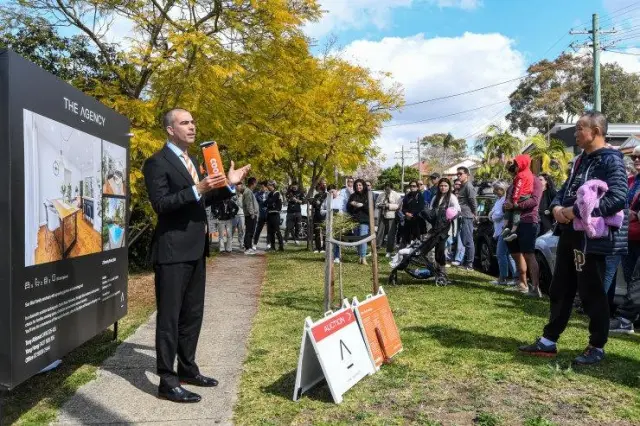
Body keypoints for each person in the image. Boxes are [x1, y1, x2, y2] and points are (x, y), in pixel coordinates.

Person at [143, 108, 249, 403]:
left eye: (193, 122)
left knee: (192, 314)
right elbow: (162, 204)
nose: (192, 127)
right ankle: (167, 380)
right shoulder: (156, 163)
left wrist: (229, 183)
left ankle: (187, 368)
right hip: (172, 250)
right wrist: (197, 187)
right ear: (170, 129)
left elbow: (204, 198)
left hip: (196, 249)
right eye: (185, 122)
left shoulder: (190, 161)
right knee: (170, 317)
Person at [519, 111, 628, 366]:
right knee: (560, 288)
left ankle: (597, 345)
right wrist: (557, 208)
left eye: (580, 128)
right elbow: (566, 190)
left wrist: (576, 212)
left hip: (592, 240)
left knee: (592, 293)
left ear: (596, 132)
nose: (576, 133)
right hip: (569, 235)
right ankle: (548, 341)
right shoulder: (580, 161)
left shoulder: (611, 161)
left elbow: (618, 199)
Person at [609, 146, 640, 333]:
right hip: (628, 236)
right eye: (635, 157)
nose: (636, 160)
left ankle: (626, 319)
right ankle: (631, 318)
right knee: (631, 279)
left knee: (637, 280)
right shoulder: (630, 181)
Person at [504, 167, 543, 297]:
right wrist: (506, 204)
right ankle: (522, 284)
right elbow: (507, 199)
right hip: (510, 222)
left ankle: (536, 288)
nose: (514, 169)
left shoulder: (535, 181)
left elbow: (535, 201)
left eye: (515, 166)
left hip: (528, 221)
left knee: (528, 254)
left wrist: (516, 205)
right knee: (515, 254)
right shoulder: (514, 183)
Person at [427, 178, 461, 279]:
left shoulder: (452, 197)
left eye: (445, 186)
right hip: (435, 227)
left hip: (445, 228)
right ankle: (435, 270)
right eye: (441, 185)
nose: (443, 187)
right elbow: (431, 211)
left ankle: (442, 272)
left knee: (441, 249)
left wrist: (449, 218)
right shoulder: (435, 197)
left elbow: (457, 210)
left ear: (449, 187)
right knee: (432, 250)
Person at [489, 181, 517, 285]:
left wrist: (492, 216)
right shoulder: (498, 200)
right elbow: (493, 213)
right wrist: (492, 215)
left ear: (503, 189)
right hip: (499, 229)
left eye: (497, 189)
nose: (495, 191)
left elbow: (498, 215)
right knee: (508, 254)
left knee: (501, 253)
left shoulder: (505, 200)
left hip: (504, 230)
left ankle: (503, 277)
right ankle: (514, 276)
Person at [502, 155, 534, 242]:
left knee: (512, 210)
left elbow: (518, 189)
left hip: (521, 196)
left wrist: (515, 200)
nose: (515, 168)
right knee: (516, 212)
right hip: (527, 194)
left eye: (516, 165)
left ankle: (507, 228)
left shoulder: (521, 175)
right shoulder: (529, 173)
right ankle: (512, 230)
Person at [455, 167, 477, 270]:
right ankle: (466, 262)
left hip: (467, 216)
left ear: (467, 174)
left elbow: (473, 201)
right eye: (457, 174)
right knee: (463, 240)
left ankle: (469, 265)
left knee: (468, 241)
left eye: (460, 174)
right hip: (461, 215)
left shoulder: (468, 186)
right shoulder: (462, 186)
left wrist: (474, 213)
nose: (458, 175)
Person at [347, 179, 371, 264]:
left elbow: (370, 209)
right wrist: (351, 204)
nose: (358, 187)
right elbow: (348, 208)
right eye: (357, 185)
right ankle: (360, 256)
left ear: (363, 185)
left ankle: (363, 257)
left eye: (360, 185)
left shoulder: (368, 195)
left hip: (364, 220)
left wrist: (362, 205)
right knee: (357, 238)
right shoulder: (353, 196)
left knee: (363, 238)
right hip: (355, 220)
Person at [376, 183, 401, 257]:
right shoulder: (381, 195)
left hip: (392, 216)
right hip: (383, 215)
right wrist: (380, 205)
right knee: (379, 233)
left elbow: (398, 205)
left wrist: (388, 206)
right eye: (385, 188)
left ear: (391, 188)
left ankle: (389, 250)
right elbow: (376, 203)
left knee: (391, 234)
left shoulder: (396, 195)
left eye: (388, 188)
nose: (387, 190)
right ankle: (376, 249)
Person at [401, 180, 425, 246]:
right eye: (411, 186)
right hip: (408, 220)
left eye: (414, 186)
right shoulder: (407, 196)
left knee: (416, 240)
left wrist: (412, 214)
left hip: (417, 221)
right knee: (406, 238)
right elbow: (403, 208)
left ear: (417, 187)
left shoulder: (420, 196)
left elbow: (421, 207)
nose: (412, 187)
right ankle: (405, 253)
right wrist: (406, 213)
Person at [242, 177, 260, 255]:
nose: (256, 185)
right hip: (250, 215)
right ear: (253, 183)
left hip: (251, 215)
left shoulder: (249, 191)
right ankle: (247, 248)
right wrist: (252, 213)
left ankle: (249, 247)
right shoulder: (248, 192)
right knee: (249, 231)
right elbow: (249, 204)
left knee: (251, 231)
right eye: (255, 183)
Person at [265, 180, 284, 251]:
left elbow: (270, 201)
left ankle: (281, 246)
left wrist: (268, 202)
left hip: (275, 214)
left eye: (268, 186)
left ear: (272, 186)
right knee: (270, 232)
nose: (267, 187)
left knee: (277, 231)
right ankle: (273, 247)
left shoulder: (277, 193)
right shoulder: (270, 194)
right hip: (269, 214)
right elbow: (266, 202)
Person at [311, 180, 328, 253]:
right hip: (317, 214)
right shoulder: (316, 195)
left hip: (323, 215)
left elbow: (326, 205)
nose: (319, 190)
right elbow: (314, 205)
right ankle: (318, 248)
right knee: (317, 232)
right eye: (318, 189)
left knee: (324, 232)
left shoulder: (327, 195)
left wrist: (319, 203)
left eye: (324, 184)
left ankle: (324, 247)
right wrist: (313, 202)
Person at [253, 181, 268, 249]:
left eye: (263, 187)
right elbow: (253, 201)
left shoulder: (270, 194)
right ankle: (255, 244)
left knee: (269, 230)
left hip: (268, 214)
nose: (261, 188)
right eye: (260, 187)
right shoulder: (257, 194)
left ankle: (268, 244)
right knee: (258, 230)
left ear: (266, 187)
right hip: (261, 214)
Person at [231, 184, 245, 249]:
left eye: (239, 186)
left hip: (242, 214)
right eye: (237, 186)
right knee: (232, 229)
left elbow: (243, 205)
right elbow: (230, 204)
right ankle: (229, 243)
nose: (238, 187)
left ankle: (241, 243)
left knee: (241, 229)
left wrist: (239, 198)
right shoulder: (232, 194)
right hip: (234, 215)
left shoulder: (244, 195)